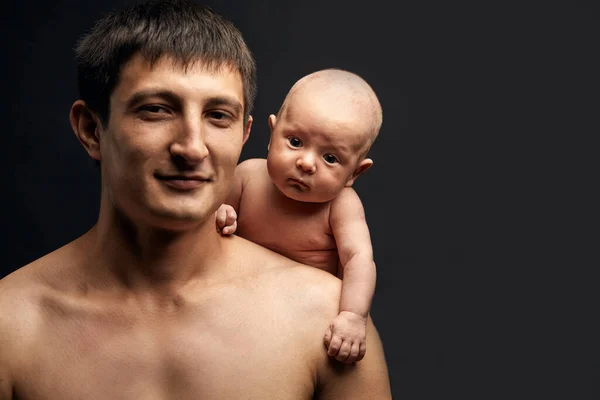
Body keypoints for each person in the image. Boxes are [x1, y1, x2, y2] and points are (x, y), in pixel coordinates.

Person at [0, 0, 392, 398]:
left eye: (218, 116)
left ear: (244, 134)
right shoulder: (9, 325)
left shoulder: (322, 318)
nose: (192, 147)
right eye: (155, 110)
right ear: (91, 129)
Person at [216, 68, 382, 364]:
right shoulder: (246, 176)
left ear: (355, 172)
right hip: (233, 306)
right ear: (272, 134)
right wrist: (221, 212)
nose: (306, 163)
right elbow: (211, 225)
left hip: (300, 318)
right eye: (294, 142)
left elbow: (358, 260)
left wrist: (353, 316)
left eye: (330, 158)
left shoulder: (341, 206)